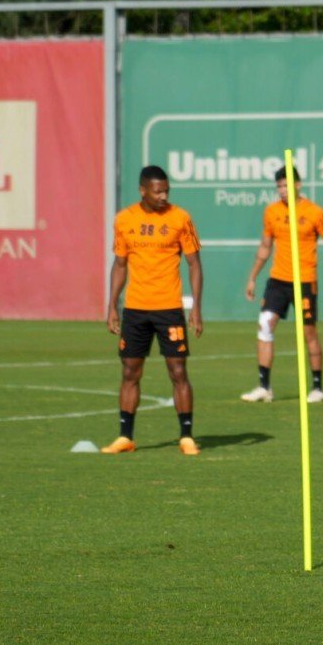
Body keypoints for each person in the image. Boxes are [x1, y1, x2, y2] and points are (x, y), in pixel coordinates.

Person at [102, 166, 202, 455]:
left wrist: (195, 306)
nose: (163, 196)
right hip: (135, 309)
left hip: (169, 308)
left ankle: (186, 436)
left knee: (178, 371)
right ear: (142, 190)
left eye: (167, 190)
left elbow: (194, 263)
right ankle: (125, 437)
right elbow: (119, 265)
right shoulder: (124, 220)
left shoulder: (180, 218)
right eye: (157, 191)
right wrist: (112, 306)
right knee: (130, 372)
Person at [242, 165, 323, 403]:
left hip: (305, 281)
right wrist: (252, 277)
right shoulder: (271, 212)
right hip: (278, 280)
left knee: (308, 332)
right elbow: (264, 247)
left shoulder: (315, 212)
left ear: (298, 185)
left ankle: (318, 386)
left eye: (286, 185)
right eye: (279, 186)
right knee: (264, 325)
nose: (282, 190)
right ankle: (264, 386)